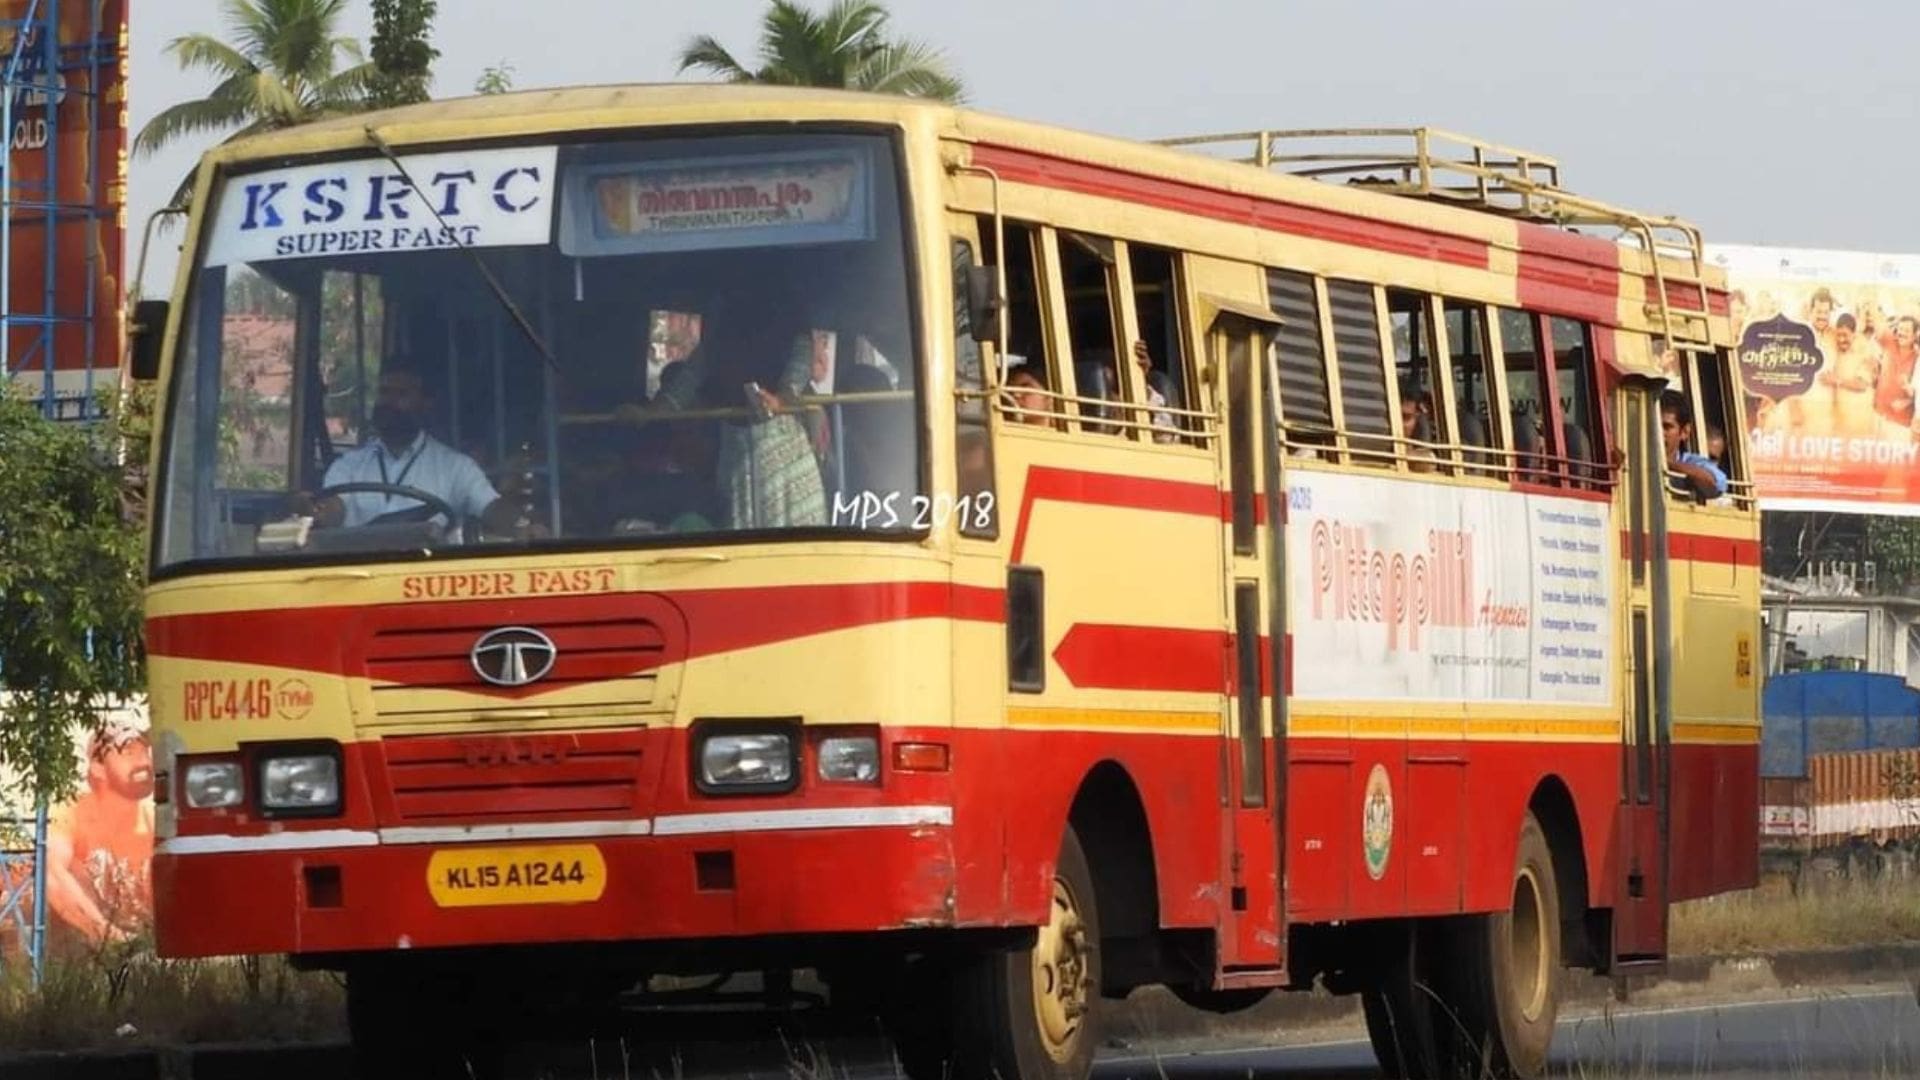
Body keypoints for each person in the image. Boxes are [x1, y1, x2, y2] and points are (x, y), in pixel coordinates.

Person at [300, 360, 533, 539]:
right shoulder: (348, 466)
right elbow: (334, 508)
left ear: (425, 402)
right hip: (361, 581)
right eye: (384, 392)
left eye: (401, 394)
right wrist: (316, 511)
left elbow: (491, 507)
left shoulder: (455, 467)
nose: (389, 402)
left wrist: (523, 527)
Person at [43, 721, 154, 948]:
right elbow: (52, 872)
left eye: (145, 753)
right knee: (55, 872)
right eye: (128, 753)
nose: (143, 762)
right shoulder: (72, 810)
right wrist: (107, 935)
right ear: (98, 767)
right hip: (87, 941)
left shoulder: (155, 820)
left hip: (149, 945)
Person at [1662, 390, 1728, 499]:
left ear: (1684, 432)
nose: (1659, 432)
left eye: (1667, 427)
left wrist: (1666, 464)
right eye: (1653, 424)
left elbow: (1714, 484)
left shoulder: (1691, 462)